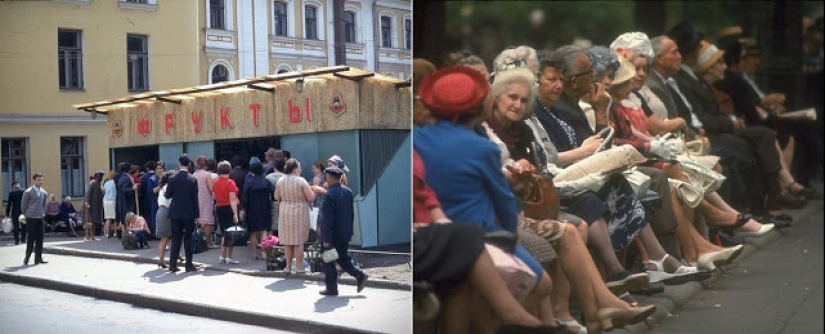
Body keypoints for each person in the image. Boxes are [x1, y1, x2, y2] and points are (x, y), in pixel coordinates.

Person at [317, 166, 368, 296]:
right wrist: (350, 231)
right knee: (342, 257)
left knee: (328, 260)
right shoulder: (348, 192)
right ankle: (359, 274)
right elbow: (351, 214)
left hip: (332, 234)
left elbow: (327, 220)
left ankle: (331, 287)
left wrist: (326, 239)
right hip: (344, 232)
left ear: (329, 177)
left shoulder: (329, 195)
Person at [275, 158, 316, 274]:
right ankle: (299, 266)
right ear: (295, 169)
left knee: (288, 241)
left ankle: (288, 266)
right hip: (299, 211)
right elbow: (311, 197)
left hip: (285, 211)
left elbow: (276, 196)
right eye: (299, 167)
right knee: (298, 241)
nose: (301, 169)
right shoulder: (301, 181)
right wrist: (315, 191)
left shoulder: (280, 180)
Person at [165, 153, 200, 273]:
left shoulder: (172, 178)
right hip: (189, 212)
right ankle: (189, 265)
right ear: (189, 164)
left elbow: (167, 195)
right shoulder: (193, 179)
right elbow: (195, 198)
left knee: (175, 238)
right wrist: (197, 215)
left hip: (175, 212)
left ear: (179, 163)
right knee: (188, 239)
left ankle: (172, 264)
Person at [242, 160, 274, 260]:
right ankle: (264, 254)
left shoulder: (249, 182)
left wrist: (244, 208)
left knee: (253, 232)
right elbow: (274, 191)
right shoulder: (266, 181)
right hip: (265, 208)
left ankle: (254, 254)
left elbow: (245, 197)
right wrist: (271, 201)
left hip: (252, 209)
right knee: (263, 230)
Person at [213, 160, 241, 264]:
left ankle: (222, 255)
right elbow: (232, 199)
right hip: (229, 208)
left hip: (219, 207)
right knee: (230, 233)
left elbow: (214, 196)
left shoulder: (216, 182)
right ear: (229, 170)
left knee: (224, 232)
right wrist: (235, 213)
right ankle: (229, 256)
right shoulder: (230, 183)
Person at [21, 173, 48, 265]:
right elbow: (24, 205)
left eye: (41, 179)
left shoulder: (44, 193)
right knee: (31, 238)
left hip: (40, 217)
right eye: (38, 179)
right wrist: (26, 214)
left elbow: (44, 205)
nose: (40, 181)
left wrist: (42, 213)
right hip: (31, 217)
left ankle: (38, 258)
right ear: (34, 180)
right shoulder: (28, 192)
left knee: (40, 238)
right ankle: (27, 257)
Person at [193, 155, 217, 249]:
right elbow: (211, 188)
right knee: (207, 221)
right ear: (206, 165)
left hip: (196, 198)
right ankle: (208, 242)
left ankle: (200, 240)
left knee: (200, 220)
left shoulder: (194, 174)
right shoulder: (207, 175)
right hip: (206, 199)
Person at [155, 171, 176, 268]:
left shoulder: (162, 188)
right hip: (168, 212)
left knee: (164, 238)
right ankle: (161, 259)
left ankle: (161, 258)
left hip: (160, 211)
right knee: (169, 237)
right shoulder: (169, 188)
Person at [139, 160, 162, 237]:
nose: (159, 170)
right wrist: (159, 186)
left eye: (161, 168)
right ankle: (154, 233)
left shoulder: (167, 177)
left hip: (164, 202)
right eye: (157, 168)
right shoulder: (152, 179)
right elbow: (150, 191)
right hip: (153, 200)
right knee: (153, 217)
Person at [84, 170, 105, 241]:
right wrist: (87, 202)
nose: (102, 177)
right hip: (91, 205)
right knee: (89, 221)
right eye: (101, 175)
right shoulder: (93, 183)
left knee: (93, 221)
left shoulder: (98, 183)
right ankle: (87, 236)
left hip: (95, 205)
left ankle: (92, 236)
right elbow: (88, 193)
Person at [5, 181, 25, 245]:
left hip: (15, 211)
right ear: (18, 185)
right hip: (23, 211)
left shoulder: (11, 193)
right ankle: (23, 239)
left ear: (13, 186)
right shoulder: (24, 191)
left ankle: (16, 240)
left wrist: (7, 213)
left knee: (16, 226)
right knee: (24, 225)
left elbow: (9, 204)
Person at [102, 170, 118, 238]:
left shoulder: (106, 183)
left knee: (108, 218)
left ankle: (107, 233)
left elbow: (103, 191)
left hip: (106, 201)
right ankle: (115, 232)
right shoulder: (115, 183)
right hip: (113, 200)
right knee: (115, 218)